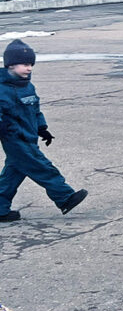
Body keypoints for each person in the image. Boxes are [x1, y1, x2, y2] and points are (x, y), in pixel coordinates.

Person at [0, 40, 88, 222]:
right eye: (25, 64)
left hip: (29, 137)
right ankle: (64, 198)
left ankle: (0, 208)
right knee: (43, 169)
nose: (29, 68)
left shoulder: (28, 87)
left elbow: (35, 110)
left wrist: (42, 128)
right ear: (10, 64)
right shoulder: (2, 89)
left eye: (31, 64)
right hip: (14, 139)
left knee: (12, 174)